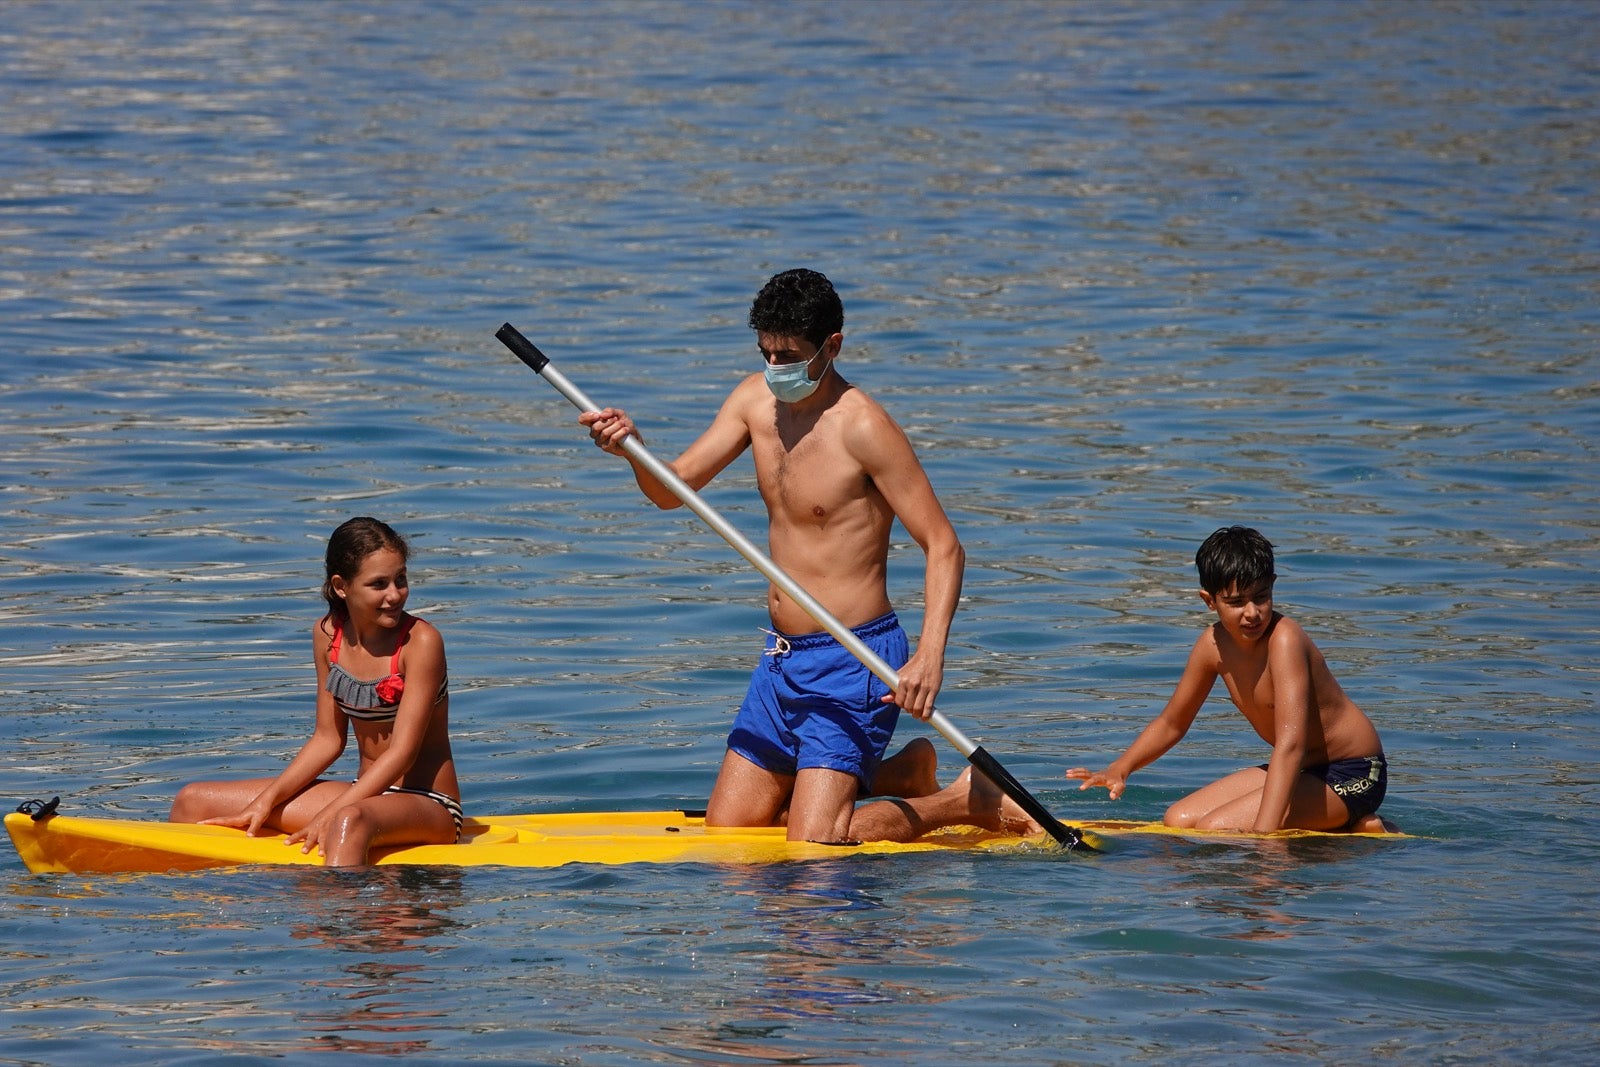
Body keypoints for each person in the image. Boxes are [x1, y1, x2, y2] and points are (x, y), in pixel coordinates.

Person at [582, 268, 1032, 844]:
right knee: (731, 832)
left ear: (832, 346)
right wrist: (631, 450)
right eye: (766, 353)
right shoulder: (753, 401)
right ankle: (900, 772)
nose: (776, 369)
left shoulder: (863, 426)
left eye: (789, 355)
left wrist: (929, 656)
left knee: (814, 847)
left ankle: (962, 799)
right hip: (781, 660)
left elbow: (944, 545)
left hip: (855, 659)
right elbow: (672, 492)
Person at [170, 517, 461, 865]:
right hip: (362, 795)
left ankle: (331, 916)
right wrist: (267, 799)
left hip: (427, 804)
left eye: (401, 579)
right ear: (341, 586)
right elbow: (327, 739)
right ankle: (192, 908)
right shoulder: (327, 636)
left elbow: (402, 753)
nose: (395, 594)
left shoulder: (421, 642)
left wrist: (333, 812)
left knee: (347, 821)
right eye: (378, 584)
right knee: (193, 800)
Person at [1066, 525, 1395, 834]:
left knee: (1217, 828)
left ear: (1273, 586)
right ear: (1209, 600)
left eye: (1261, 597)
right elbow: (1172, 722)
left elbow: (1291, 745)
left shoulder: (1285, 640)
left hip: (1355, 772)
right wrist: (1121, 768)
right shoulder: (1212, 645)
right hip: (1304, 770)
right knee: (1177, 820)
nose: (1252, 613)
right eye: (1236, 602)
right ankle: (1344, 826)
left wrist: (1265, 840)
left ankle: (1351, 822)